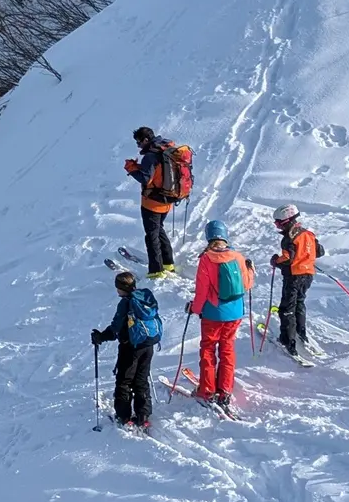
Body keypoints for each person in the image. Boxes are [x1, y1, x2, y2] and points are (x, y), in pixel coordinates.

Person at [187, 220, 253, 409]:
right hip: (235, 313)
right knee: (227, 349)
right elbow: (247, 285)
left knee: (208, 349)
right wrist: (250, 270)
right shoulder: (238, 257)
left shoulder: (207, 259)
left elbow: (202, 291)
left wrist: (195, 309)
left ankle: (207, 390)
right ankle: (225, 390)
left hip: (213, 314)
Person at [92, 269, 162, 429]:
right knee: (141, 380)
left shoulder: (126, 303)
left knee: (124, 381)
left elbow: (116, 327)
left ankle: (124, 416)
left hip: (130, 348)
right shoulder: (145, 297)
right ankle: (143, 415)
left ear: (121, 288)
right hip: (148, 344)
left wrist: (100, 337)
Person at [123, 126, 177, 276]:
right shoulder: (166, 149)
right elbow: (156, 173)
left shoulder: (150, 156)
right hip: (167, 199)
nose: (138, 145)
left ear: (146, 140)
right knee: (159, 229)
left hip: (152, 202)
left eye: (139, 142)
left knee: (151, 236)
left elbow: (145, 179)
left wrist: (131, 168)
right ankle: (168, 263)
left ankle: (156, 271)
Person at [272, 204, 320, 359]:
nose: (277, 225)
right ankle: (301, 332)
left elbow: (287, 258)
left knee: (287, 308)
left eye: (278, 222)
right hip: (308, 274)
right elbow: (320, 251)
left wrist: (275, 261)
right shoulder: (308, 234)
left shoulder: (289, 238)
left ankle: (288, 340)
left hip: (294, 276)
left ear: (286, 221)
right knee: (300, 302)